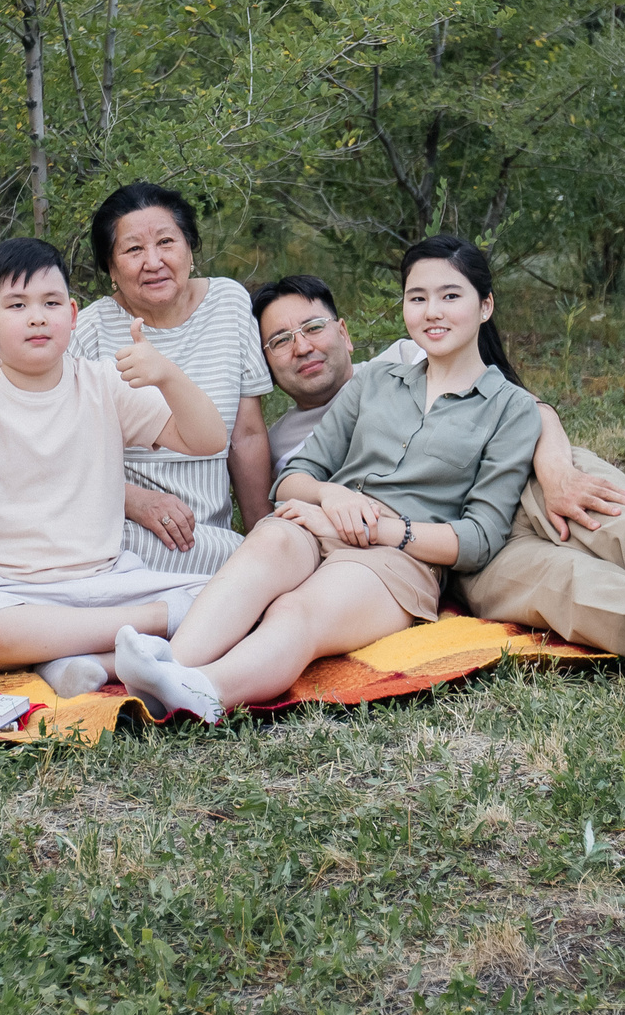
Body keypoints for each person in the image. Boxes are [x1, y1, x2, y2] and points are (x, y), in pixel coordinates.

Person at [113, 237, 543, 721]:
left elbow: (480, 537)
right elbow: (293, 477)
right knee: (271, 538)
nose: (431, 312)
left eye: (450, 296)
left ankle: (204, 691)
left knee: (293, 611)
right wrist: (330, 495)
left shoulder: (513, 409)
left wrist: (379, 529)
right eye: (417, 298)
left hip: (398, 558)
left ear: (484, 305)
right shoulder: (375, 382)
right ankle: (170, 666)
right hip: (320, 525)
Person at [251, 273, 625, 681]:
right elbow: (296, 526)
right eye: (278, 341)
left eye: (312, 327)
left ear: (343, 331)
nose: (301, 348)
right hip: (456, 547)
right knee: (569, 584)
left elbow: (528, 406)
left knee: (613, 512)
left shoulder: (403, 359)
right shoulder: (282, 447)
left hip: (524, 473)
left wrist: (555, 470)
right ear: (266, 364)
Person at [0, 237, 227, 696]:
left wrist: (167, 374)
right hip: (2, 592)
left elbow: (208, 439)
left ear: (73, 315)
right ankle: (155, 626)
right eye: (17, 304)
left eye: (51, 302)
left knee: (229, 599)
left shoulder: (101, 383)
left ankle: (83, 661)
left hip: (106, 580)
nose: (37, 316)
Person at [69, 182, 275, 577]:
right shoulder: (89, 329)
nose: (153, 261)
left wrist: (263, 531)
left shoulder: (228, 302)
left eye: (166, 242)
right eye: (133, 250)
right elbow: (62, 450)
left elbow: (246, 435)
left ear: (190, 249)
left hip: (205, 536)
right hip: (121, 529)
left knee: (276, 558)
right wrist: (133, 501)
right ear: (111, 269)